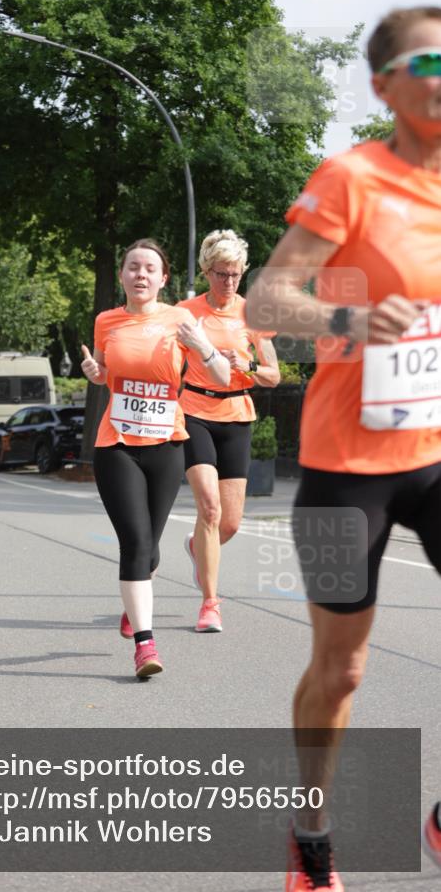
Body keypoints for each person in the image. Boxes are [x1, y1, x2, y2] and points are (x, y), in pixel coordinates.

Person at [246, 6, 441, 891]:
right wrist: (351, 318)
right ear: (384, 86)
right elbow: (266, 300)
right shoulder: (351, 179)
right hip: (343, 466)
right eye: (427, 59)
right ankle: (309, 830)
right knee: (342, 665)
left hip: (438, 451)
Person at [81, 239, 230, 678]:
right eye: (132, 267)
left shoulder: (181, 319)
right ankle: (145, 646)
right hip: (117, 445)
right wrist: (97, 374)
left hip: (166, 445)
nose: (140, 275)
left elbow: (221, 376)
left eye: (150, 268)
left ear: (163, 278)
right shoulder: (106, 320)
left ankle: (137, 599)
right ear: (123, 275)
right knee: (135, 543)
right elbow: (107, 371)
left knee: (148, 552)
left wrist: (202, 346)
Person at [177, 229, 280, 632]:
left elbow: (272, 375)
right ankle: (210, 604)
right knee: (210, 508)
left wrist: (246, 365)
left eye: (236, 274)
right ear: (207, 271)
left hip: (237, 415)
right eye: (222, 273)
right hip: (195, 412)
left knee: (231, 523)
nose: (230, 282)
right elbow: (166, 364)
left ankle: (196, 548)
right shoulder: (185, 313)